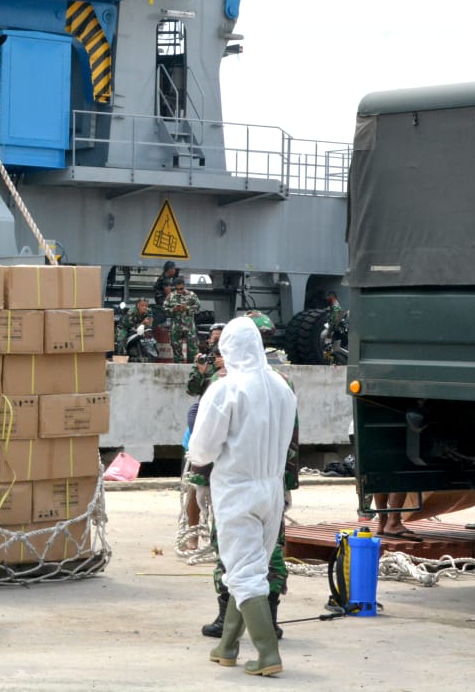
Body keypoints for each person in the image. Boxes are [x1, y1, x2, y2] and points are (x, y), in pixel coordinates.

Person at [188, 317, 297, 677]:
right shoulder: (283, 388)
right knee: (250, 568)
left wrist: (198, 477)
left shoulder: (225, 389)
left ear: (228, 349)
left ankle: (268, 654)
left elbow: (202, 448)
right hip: (272, 489)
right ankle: (227, 646)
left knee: (243, 570)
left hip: (236, 489)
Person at [181, 322, 225, 549]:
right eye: (214, 339)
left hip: (227, 425)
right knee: (196, 480)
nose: (216, 343)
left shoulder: (239, 361)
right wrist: (200, 371)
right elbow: (191, 389)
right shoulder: (203, 362)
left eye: (221, 339)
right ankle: (193, 534)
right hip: (205, 421)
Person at [164, 275, 200, 362]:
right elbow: (164, 310)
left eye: (181, 289)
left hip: (189, 327)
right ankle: (178, 368)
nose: (180, 291)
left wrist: (187, 308)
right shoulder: (170, 296)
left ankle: (193, 368)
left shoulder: (192, 295)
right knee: (176, 350)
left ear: (184, 286)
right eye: (178, 289)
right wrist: (173, 309)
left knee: (193, 350)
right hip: (175, 328)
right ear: (175, 287)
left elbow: (198, 307)